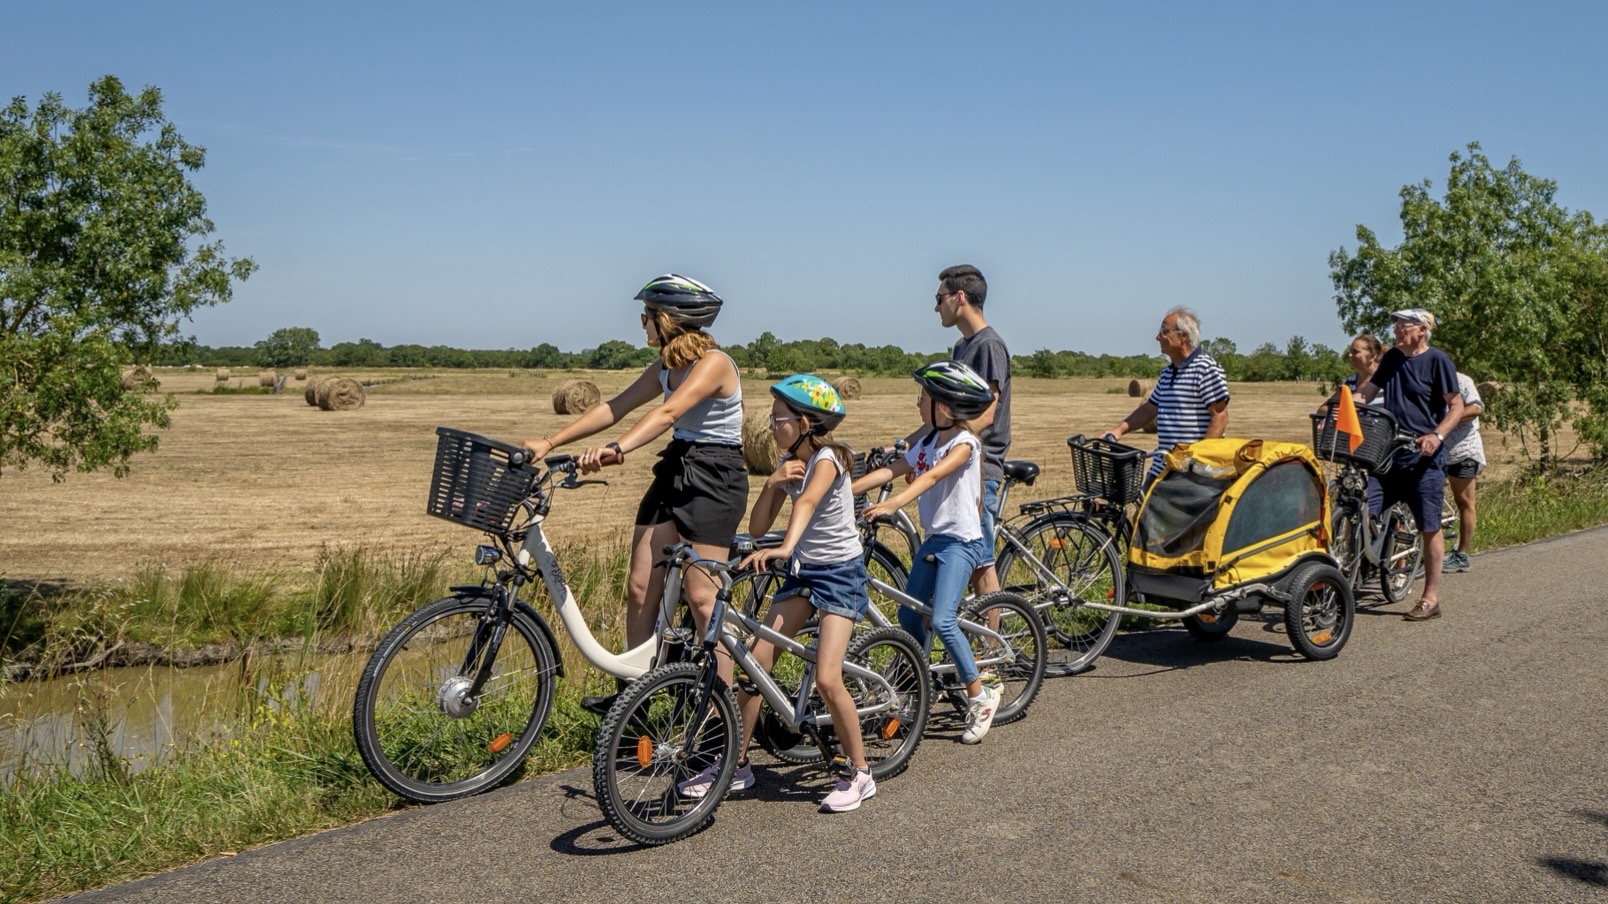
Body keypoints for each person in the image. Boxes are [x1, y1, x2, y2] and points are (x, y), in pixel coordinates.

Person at [523, 274, 748, 712]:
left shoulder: (715, 363)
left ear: (668, 319)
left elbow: (668, 412)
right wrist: (550, 442)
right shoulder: (665, 365)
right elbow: (614, 406)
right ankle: (635, 701)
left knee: (703, 601)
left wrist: (616, 450)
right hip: (677, 465)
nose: (641, 322)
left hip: (715, 475)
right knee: (641, 586)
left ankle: (720, 718)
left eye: (646, 314)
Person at [677, 375, 877, 812]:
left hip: (840, 575)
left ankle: (860, 773)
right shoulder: (791, 462)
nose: (772, 426)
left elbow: (805, 506)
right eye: (771, 418)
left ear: (805, 422)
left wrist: (785, 548)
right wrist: (771, 482)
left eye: (779, 419)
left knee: (827, 678)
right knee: (754, 667)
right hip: (805, 575)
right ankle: (737, 765)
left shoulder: (828, 459)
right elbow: (758, 528)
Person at [854, 361, 1002, 745]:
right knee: (908, 612)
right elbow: (893, 470)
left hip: (962, 543)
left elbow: (933, 476)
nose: (918, 405)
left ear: (945, 407)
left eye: (923, 400)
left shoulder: (965, 444)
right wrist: (843, 491)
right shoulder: (929, 442)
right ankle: (921, 683)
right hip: (936, 541)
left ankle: (979, 695)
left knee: (943, 619)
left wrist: (895, 504)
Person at [1356, 308, 1464, 621]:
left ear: (1420, 329)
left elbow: (1456, 406)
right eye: (1395, 326)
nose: (1395, 331)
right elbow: (1367, 392)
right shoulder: (1391, 359)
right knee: (1362, 505)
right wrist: (1340, 408)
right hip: (1388, 452)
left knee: (1429, 526)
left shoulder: (1437, 360)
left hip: (1423, 457)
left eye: (1401, 326)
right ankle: (1363, 560)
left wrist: (1437, 435)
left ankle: (1430, 599)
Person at [934, 264, 1011, 596]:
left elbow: (987, 415)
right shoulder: (960, 347)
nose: (936, 306)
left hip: (981, 469)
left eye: (939, 298)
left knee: (981, 564)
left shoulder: (988, 346)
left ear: (959, 297)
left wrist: (947, 446)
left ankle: (993, 647)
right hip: (961, 465)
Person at [1105, 307, 1231, 480]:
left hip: (1191, 472)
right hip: (1162, 467)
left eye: (1164, 331)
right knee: (1143, 505)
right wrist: (1118, 430)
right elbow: (1149, 409)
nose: (1158, 337)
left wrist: (1199, 460)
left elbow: (1220, 417)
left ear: (1183, 336)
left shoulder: (1205, 368)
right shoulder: (1167, 373)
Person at [1442, 373, 1485, 573]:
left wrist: (1448, 420)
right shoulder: (1422, 379)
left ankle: (1462, 554)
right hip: (1434, 449)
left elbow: (1476, 408)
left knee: (1464, 501)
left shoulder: (1461, 380)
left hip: (1463, 450)